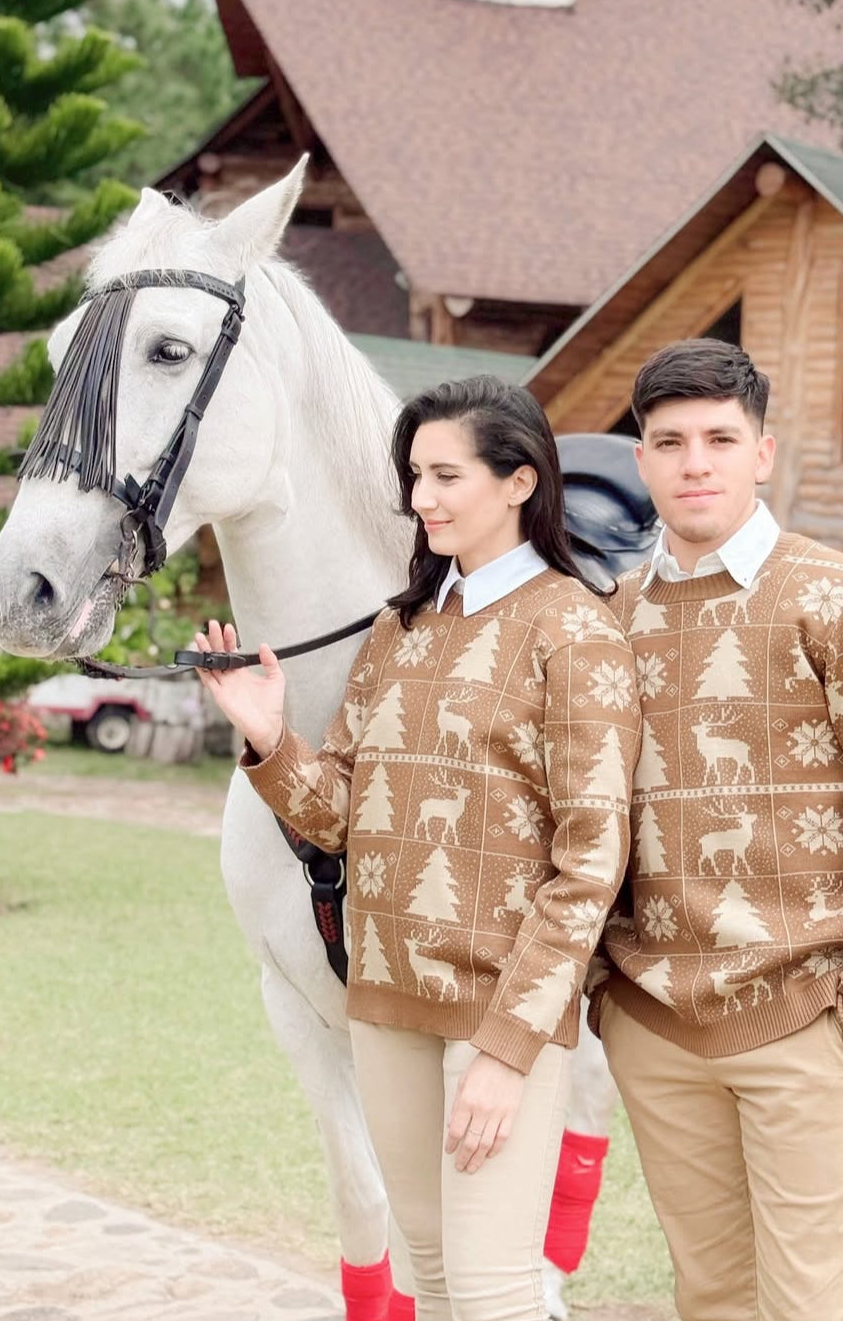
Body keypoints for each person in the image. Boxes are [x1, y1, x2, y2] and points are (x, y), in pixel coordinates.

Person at [194, 376, 641, 1321]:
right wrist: (271, 738)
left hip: (495, 1019)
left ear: (520, 481)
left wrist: (510, 1050)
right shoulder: (401, 628)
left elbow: (590, 863)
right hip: (385, 1006)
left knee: (491, 1293)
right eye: (413, 475)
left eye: (445, 474)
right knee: (430, 1283)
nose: (421, 497)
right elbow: (341, 814)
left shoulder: (576, 630)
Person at [593, 339, 843, 1321]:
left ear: (764, 452)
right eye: (669, 441)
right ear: (642, 460)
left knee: (816, 1306)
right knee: (711, 1299)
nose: (694, 461)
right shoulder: (611, 619)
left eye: (720, 437)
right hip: (657, 1028)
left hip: (807, 1018)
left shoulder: (836, 597)